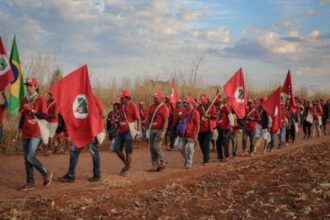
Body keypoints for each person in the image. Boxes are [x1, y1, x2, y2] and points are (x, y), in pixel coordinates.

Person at [59, 95, 105, 183]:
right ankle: (73, 174)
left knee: (77, 151)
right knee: (90, 152)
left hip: (85, 132)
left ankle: (72, 175)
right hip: (86, 132)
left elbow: (103, 115)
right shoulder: (93, 98)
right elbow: (103, 115)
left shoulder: (78, 99)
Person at [18, 78, 52, 191]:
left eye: (30, 85)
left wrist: (32, 110)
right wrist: (19, 129)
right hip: (26, 131)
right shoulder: (24, 100)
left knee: (30, 157)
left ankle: (46, 173)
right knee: (26, 159)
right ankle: (30, 183)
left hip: (36, 132)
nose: (28, 87)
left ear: (36, 86)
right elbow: (23, 116)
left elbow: (44, 116)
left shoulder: (41, 99)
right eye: (27, 85)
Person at [113, 90, 141, 176]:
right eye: (121, 98)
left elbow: (138, 119)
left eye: (122, 98)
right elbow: (121, 118)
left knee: (128, 150)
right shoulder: (121, 106)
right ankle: (127, 164)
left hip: (129, 131)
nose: (120, 99)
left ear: (127, 98)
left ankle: (127, 169)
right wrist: (117, 129)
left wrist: (138, 133)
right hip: (120, 131)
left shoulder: (133, 106)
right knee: (116, 149)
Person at [147, 91, 169, 172]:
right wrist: (146, 129)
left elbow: (166, 121)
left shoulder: (164, 107)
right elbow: (149, 119)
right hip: (152, 129)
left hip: (160, 130)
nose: (155, 100)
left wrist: (163, 132)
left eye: (156, 98)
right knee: (151, 148)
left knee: (156, 146)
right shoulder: (151, 107)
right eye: (154, 98)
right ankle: (155, 165)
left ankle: (163, 161)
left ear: (161, 99)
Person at [177, 97, 200, 169]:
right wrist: (180, 118)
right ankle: (187, 159)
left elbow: (198, 125)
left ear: (192, 104)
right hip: (183, 133)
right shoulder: (184, 111)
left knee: (190, 149)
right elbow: (181, 121)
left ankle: (189, 163)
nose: (186, 104)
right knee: (180, 147)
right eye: (185, 103)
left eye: (188, 103)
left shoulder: (196, 113)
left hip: (191, 134)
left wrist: (196, 135)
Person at [197, 93, 217, 165]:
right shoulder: (199, 107)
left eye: (204, 100)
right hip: (201, 129)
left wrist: (208, 116)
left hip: (209, 128)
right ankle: (206, 156)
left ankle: (206, 160)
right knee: (201, 145)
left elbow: (215, 116)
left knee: (206, 144)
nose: (202, 101)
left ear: (207, 99)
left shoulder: (212, 106)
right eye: (201, 100)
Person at [215, 96, 233, 162]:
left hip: (226, 128)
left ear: (220, 102)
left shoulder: (225, 108)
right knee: (218, 143)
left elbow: (230, 115)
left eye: (217, 102)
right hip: (219, 128)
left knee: (225, 143)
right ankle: (220, 157)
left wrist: (231, 125)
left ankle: (227, 156)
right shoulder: (218, 109)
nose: (216, 103)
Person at [44, 92, 59, 156]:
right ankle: (55, 143)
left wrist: (46, 116)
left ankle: (49, 151)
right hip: (47, 121)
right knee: (46, 136)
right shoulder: (47, 102)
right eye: (49, 95)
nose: (50, 96)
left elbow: (55, 114)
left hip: (53, 122)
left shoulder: (56, 104)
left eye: (51, 95)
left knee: (49, 137)